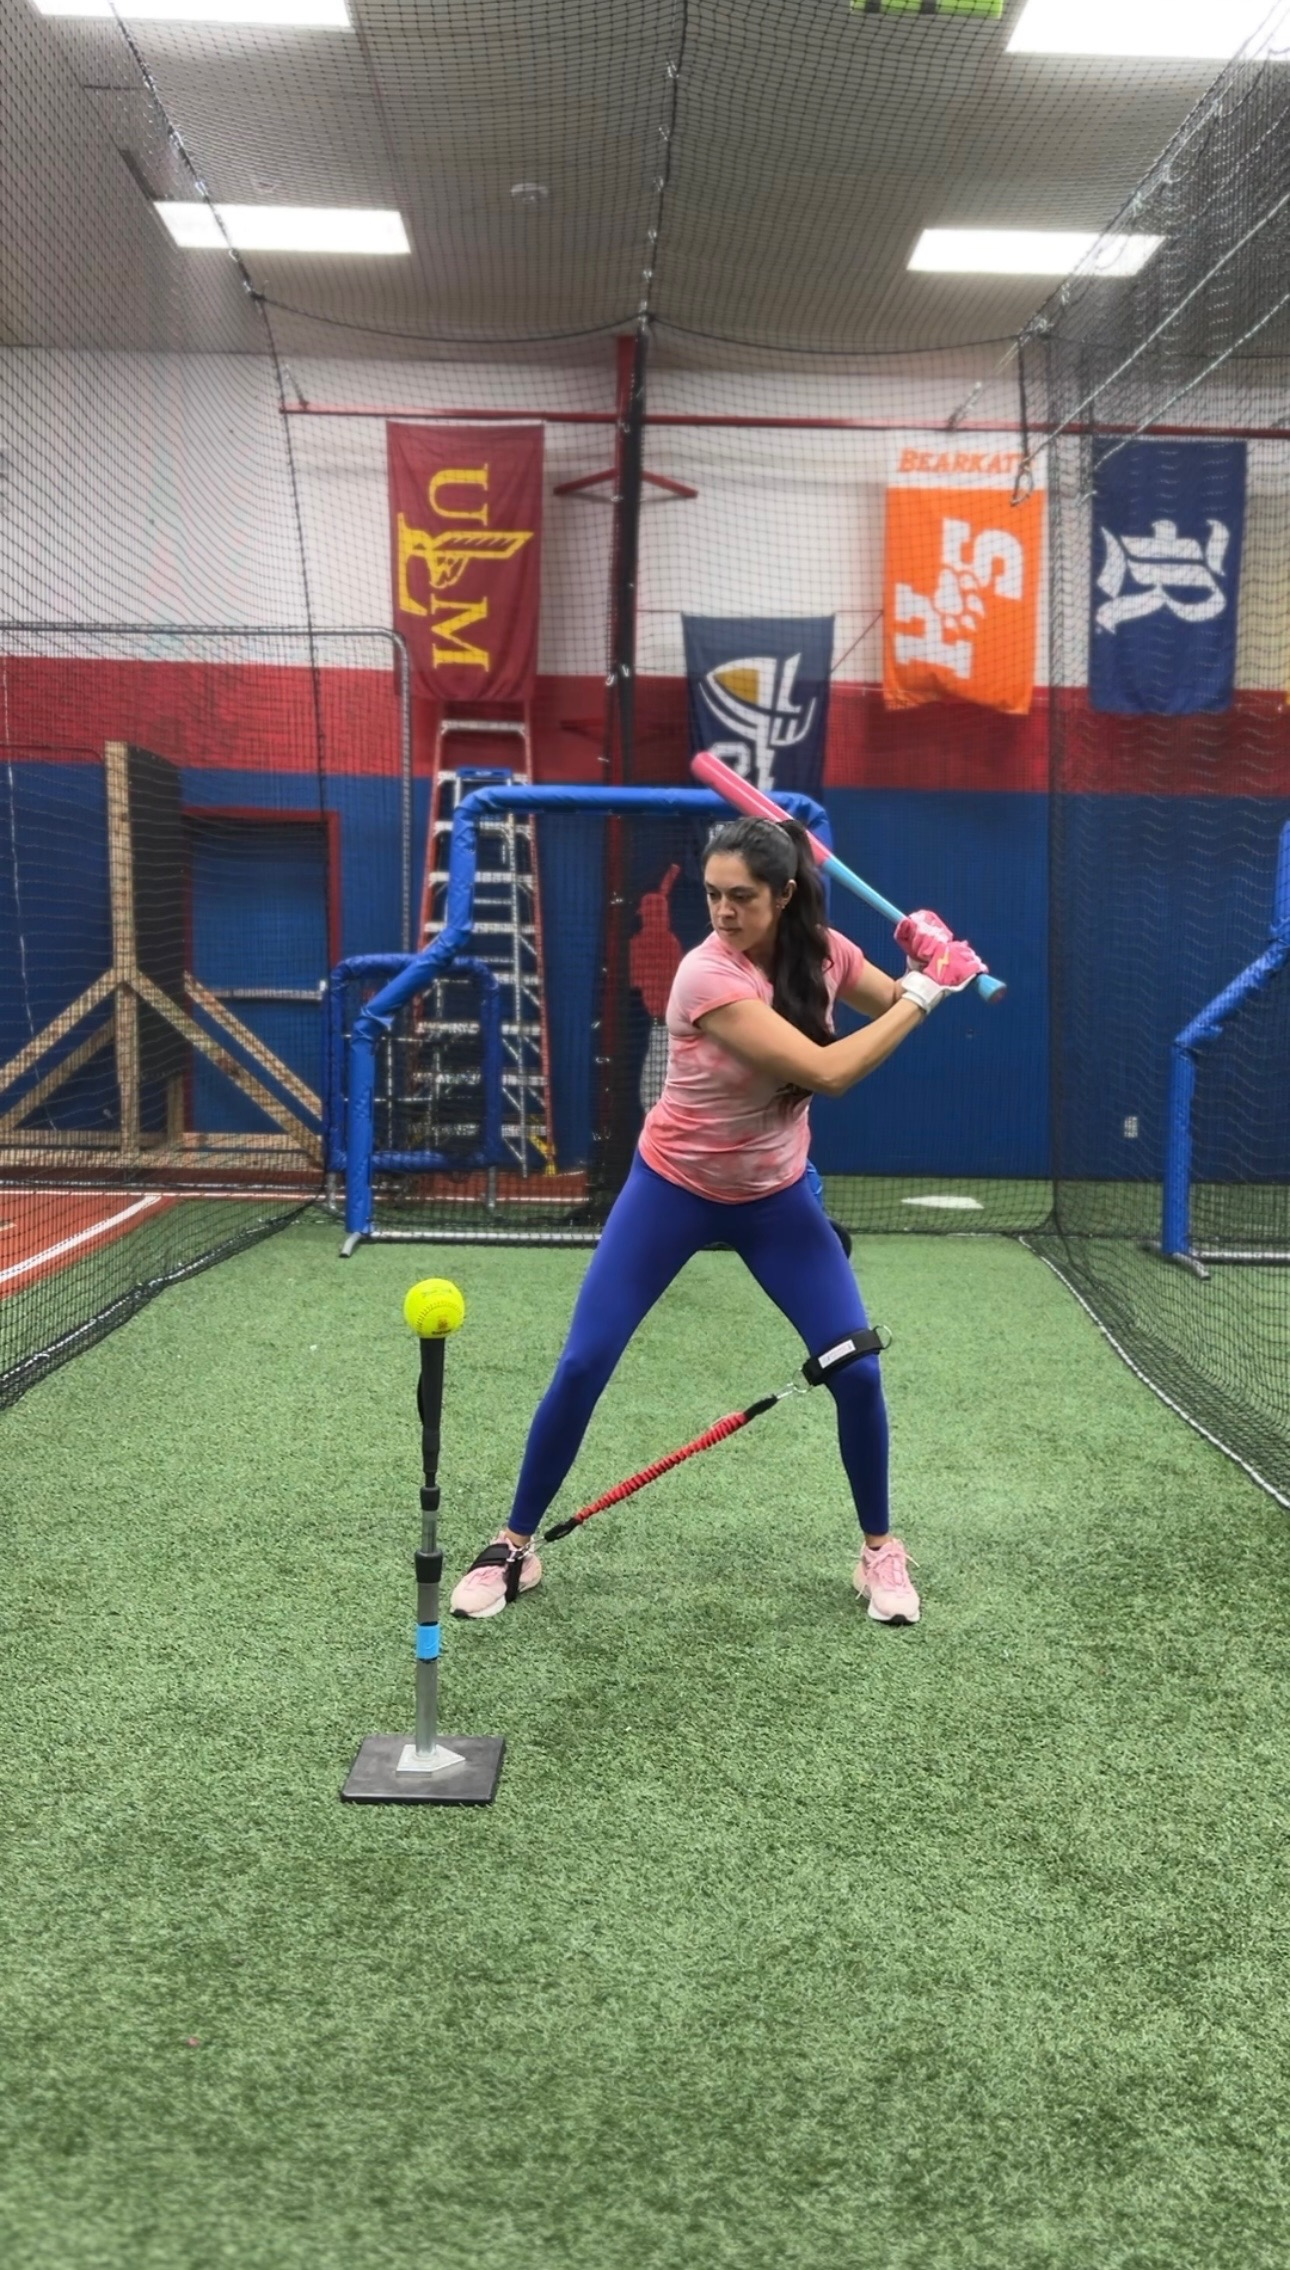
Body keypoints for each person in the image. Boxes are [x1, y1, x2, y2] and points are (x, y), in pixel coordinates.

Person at [451, 813, 983, 1627]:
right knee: (586, 1361)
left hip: (774, 1199)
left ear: (785, 896)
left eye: (742, 897)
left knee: (858, 1370)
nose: (724, 912)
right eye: (712, 895)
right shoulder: (706, 975)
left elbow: (885, 999)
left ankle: (879, 1550)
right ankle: (513, 1545)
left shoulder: (827, 953)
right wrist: (926, 988)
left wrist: (925, 960)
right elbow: (830, 1072)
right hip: (674, 1188)